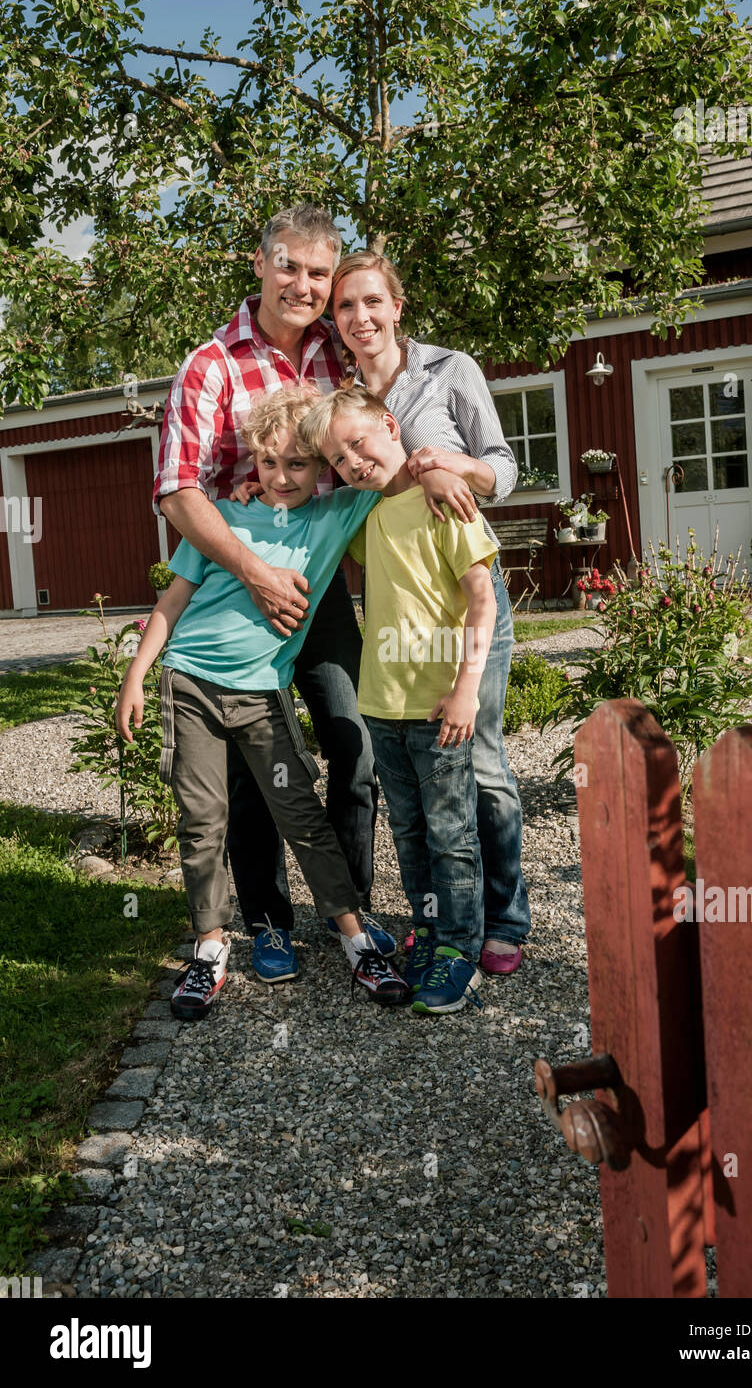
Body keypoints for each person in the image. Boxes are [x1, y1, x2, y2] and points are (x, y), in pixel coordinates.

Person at [118, 386, 411, 1016]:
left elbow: (389, 467)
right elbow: (171, 604)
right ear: (253, 462)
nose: (280, 478)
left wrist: (450, 471)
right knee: (202, 822)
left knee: (300, 813)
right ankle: (209, 950)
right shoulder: (218, 519)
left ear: (322, 468)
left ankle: (356, 939)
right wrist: (136, 675)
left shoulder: (334, 517)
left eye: (298, 464)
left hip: (260, 695)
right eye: (268, 464)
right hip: (190, 685)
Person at [328, 251, 531, 975]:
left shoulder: (450, 370)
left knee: (480, 760)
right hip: (400, 606)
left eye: (372, 302)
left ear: (397, 305)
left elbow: (503, 468)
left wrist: (451, 467)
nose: (360, 318)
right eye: (346, 307)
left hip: (468, 592)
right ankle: (446, 914)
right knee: (422, 787)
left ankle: (504, 916)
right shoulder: (339, 396)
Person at [298, 381, 498, 1016]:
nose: (354, 462)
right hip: (382, 707)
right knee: (409, 833)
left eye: (358, 443)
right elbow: (309, 516)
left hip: (440, 707)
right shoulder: (366, 514)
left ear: (390, 423)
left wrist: (468, 688)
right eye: (338, 459)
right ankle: (431, 929)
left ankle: (460, 950)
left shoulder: (447, 503)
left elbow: (482, 598)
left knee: (451, 833)